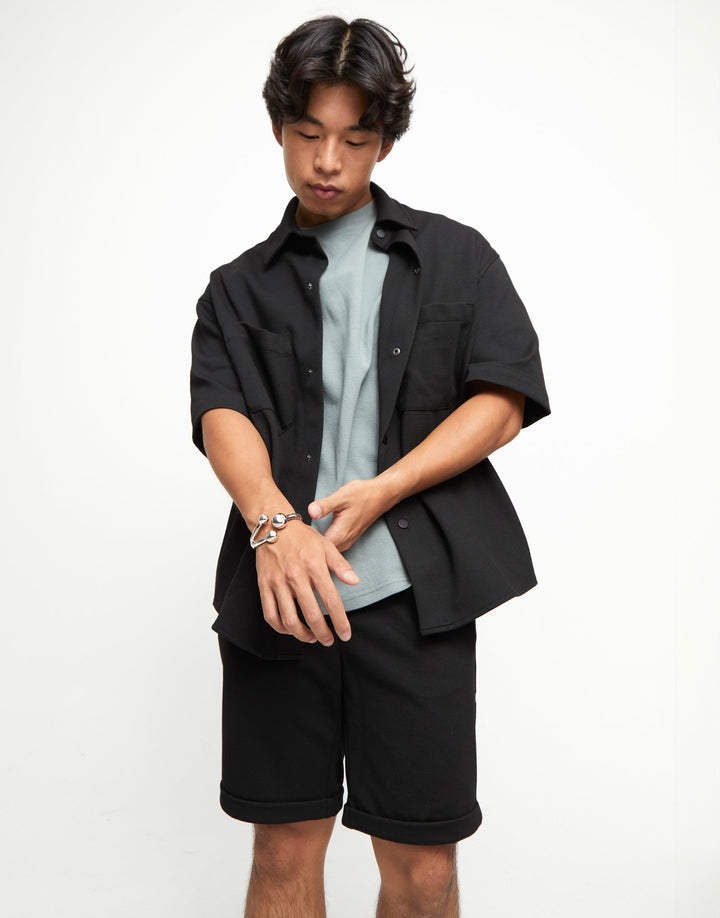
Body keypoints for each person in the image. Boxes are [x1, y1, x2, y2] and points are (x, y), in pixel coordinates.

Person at [190, 15, 550, 918]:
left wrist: (388, 487)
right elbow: (220, 413)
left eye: (354, 139)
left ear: (385, 141)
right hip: (281, 596)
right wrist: (275, 526)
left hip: (413, 599)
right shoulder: (237, 287)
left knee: (423, 869)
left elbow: (502, 400)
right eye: (308, 132)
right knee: (283, 852)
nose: (328, 161)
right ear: (280, 128)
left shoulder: (456, 257)